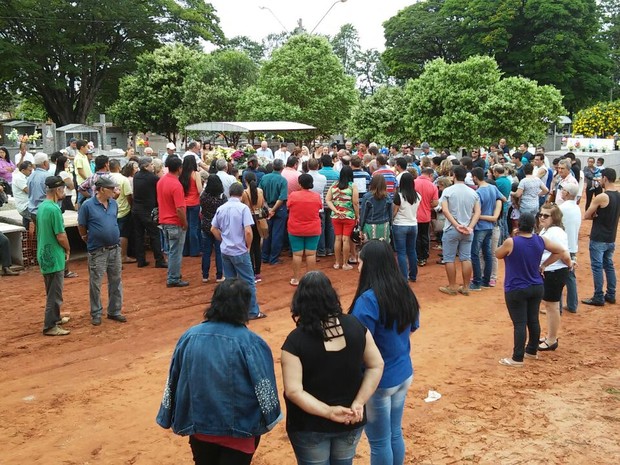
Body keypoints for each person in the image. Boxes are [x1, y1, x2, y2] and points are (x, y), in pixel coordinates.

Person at [157, 279, 282, 465]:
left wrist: (167, 414)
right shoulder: (251, 342)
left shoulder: (190, 336)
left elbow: (173, 379)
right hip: (240, 431)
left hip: (199, 428)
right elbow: (264, 384)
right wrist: (271, 417)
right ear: (245, 306)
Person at [282, 271, 384, 465]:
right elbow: (376, 364)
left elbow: (294, 391)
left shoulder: (295, 341)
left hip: (309, 426)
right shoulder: (356, 326)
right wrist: (359, 402)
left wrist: (328, 411)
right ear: (332, 296)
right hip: (351, 419)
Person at [350, 240, 420, 464]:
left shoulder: (367, 300)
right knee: (394, 433)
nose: (358, 267)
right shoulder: (404, 291)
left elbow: (357, 343)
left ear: (369, 265)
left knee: (379, 441)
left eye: (360, 262)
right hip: (403, 373)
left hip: (378, 381)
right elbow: (413, 327)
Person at [496, 213, 571, 367]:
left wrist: (512, 236)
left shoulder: (511, 242)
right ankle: (531, 351)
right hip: (536, 285)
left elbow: (498, 254)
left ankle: (517, 358)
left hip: (516, 287)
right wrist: (544, 265)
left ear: (518, 225)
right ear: (534, 225)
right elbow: (560, 250)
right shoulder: (540, 239)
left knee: (519, 323)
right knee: (533, 320)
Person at [211, 183, 265, 320]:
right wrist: (248, 247)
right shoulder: (243, 208)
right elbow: (248, 231)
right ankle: (252, 311)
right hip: (239, 250)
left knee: (230, 283)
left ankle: (232, 312)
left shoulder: (221, 208)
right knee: (248, 282)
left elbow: (213, 229)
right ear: (241, 194)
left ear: (230, 193)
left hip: (226, 251)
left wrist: (222, 240)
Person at [78, 176, 127, 326]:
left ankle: (114, 311)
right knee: (96, 283)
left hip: (114, 248)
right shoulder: (87, 205)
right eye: (111, 188)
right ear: (101, 189)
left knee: (116, 280)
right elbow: (81, 225)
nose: (114, 191)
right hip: (98, 250)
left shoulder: (113, 204)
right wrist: (86, 237)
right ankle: (96, 312)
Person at [439, 165, 480, 296]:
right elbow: (477, 212)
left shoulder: (448, 191)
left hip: (452, 228)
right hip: (467, 229)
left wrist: (456, 225)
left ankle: (452, 286)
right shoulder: (473, 192)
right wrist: (470, 227)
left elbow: (445, 210)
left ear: (454, 175)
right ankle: (466, 286)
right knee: (466, 258)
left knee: (449, 258)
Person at [37, 176, 71, 335]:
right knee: (55, 294)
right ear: (58, 190)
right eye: (62, 189)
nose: (64, 191)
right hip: (54, 255)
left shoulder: (43, 207)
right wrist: (68, 249)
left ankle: (55, 318)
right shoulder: (54, 209)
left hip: (44, 254)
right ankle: (50, 326)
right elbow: (60, 235)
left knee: (51, 289)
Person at [582, 168, 619, 306]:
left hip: (598, 237)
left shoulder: (602, 197)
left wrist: (594, 215)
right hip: (611, 237)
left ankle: (598, 296)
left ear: (605, 178)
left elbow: (586, 215)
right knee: (608, 265)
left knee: (597, 267)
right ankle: (611, 294)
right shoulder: (618, 195)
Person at [537, 203, 571, 352]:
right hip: (552, 271)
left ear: (554, 217)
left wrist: (544, 265)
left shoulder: (555, 231)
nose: (541, 217)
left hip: (555, 271)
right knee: (550, 305)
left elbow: (562, 252)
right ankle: (550, 336)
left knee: (552, 306)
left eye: (546, 215)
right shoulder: (547, 229)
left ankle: (551, 339)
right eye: (541, 214)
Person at [470, 167, 505, 291]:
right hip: (490, 227)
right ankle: (485, 281)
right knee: (488, 254)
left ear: (475, 177)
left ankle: (477, 282)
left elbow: (476, 211)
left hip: (480, 226)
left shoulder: (478, 192)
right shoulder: (493, 188)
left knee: (475, 254)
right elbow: (504, 199)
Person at [157, 156, 188, 287]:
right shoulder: (176, 184)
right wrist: (184, 223)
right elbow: (180, 208)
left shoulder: (161, 181)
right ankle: (173, 278)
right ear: (179, 168)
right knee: (175, 251)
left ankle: (173, 274)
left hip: (164, 221)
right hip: (174, 222)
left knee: (171, 250)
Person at [287, 174, 322, 286]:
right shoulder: (316, 196)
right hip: (313, 228)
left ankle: (296, 279)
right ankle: (310, 280)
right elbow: (319, 207)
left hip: (295, 228)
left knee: (297, 254)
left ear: (300, 183)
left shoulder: (293, 195)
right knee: (311, 254)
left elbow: (288, 206)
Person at [132, 157, 167, 268]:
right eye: (151, 164)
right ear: (146, 166)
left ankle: (141, 260)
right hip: (148, 211)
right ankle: (159, 260)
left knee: (138, 235)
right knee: (154, 235)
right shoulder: (153, 178)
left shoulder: (136, 176)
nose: (153, 166)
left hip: (136, 209)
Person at [326, 166, 359, 271]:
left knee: (337, 238)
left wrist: (335, 211)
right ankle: (345, 263)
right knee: (345, 239)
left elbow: (328, 200)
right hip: (348, 215)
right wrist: (357, 216)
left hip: (336, 216)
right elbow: (355, 202)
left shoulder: (334, 185)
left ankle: (337, 263)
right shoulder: (352, 186)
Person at [392, 172, 421, 282]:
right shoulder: (418, 196)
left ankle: (403, 278)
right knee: (411, 251)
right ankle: (413, 275)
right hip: (413, 224)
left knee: (401, 252)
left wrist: (392, 220)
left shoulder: (399, 195)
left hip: (400, 224)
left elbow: (394, 212)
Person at [259, 159, 288, 265]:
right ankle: (273, 258)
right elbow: (282, 198)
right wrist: (273, 209)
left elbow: (260, 194)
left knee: (267, 233)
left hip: (267, 208)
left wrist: (268, 208)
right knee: (277, 234)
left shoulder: (264, 178)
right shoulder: (282, 180)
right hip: (279, 209)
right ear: (282, 167)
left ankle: (265, 256)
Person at [558, 183, 582, 313]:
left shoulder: (562, 208)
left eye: (563, 190)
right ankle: (572, 304)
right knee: (570, 277)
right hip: (572, 246)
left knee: (558, 276)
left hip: (563, 246)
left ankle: (557, 306)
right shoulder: (576, 208)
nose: (561, 192)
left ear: (566, 193)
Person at [200, 174, 226, 283]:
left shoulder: (203, 196)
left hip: (206, 226)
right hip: (218, 227)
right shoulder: (222, 197)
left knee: (206, 252)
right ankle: (219, 275)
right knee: (219, 251)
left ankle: (205, 275)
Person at [240, 172, 266, 283]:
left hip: (249, 218)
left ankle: (250, 271)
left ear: (245, 180)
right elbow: (263, 204)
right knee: (257, 246)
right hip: (259, 217)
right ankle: (258, 273)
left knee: (249, 246)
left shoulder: (244, 193)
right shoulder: (260, 191)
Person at [180, 156, 202, 257]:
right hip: (194, 203)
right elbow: (199, 190)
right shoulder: (195, 174)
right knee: (193, 227)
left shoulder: (181, 175)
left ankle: (185, 250)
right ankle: (194, 250)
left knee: (185, 227)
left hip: (184, 203)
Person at [360, 175, 392, 242]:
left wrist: (361, 228)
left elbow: (363, 214)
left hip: (370, 225)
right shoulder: (388, 196)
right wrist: (390, 225)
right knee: (384, 246)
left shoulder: (367, 197)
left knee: (370, 247)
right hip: (384, 225)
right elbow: (390, 213)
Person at [11, 160, 33, 230]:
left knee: (26, 227)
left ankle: (26, 240)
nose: (31, 172)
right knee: (38, 221)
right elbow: (28, 191)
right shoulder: (19, 178)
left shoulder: (24, 177)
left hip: (27, 205)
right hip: (25, 206)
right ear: (23, 170)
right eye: (29, 171)